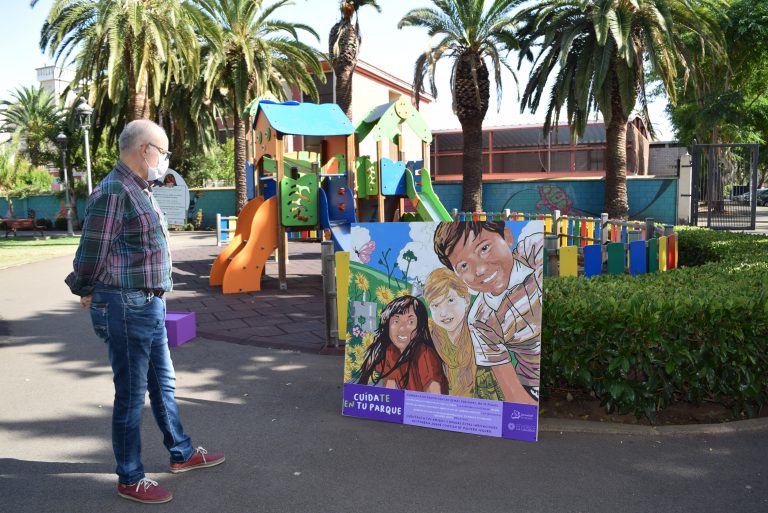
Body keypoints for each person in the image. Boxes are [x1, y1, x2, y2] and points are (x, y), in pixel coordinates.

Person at [65, 119, 224, 504]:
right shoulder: (114, 191)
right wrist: (85, 288)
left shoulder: (140, 188)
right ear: (144, 150)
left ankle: (181, 452)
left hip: (148, 302)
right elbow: (90, 254)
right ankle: (130, 476)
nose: (166, 159)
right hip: (125, 304)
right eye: (164, 151)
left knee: (163, 383)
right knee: (132, 393)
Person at [433, 220, 542, 405]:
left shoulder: (532, 252)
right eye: (464, 266)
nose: (480, 270)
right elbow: (512, 391)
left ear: (507, 237)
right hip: (531, 388)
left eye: (484, 248)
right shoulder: (480, 320)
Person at [357, 295, 448, 394]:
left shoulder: (425, 354)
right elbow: (389, 389)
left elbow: (433, 397)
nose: (402, 329)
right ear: (388, 325)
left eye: (410, 322)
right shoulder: (390, 351)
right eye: (396, 321)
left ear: (419, 327)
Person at [423, 268, 477, 398]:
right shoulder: (428, 341)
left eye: (450, 300)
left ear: (466, 300)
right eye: (435, 305)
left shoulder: (479, 337)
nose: (443, 313)